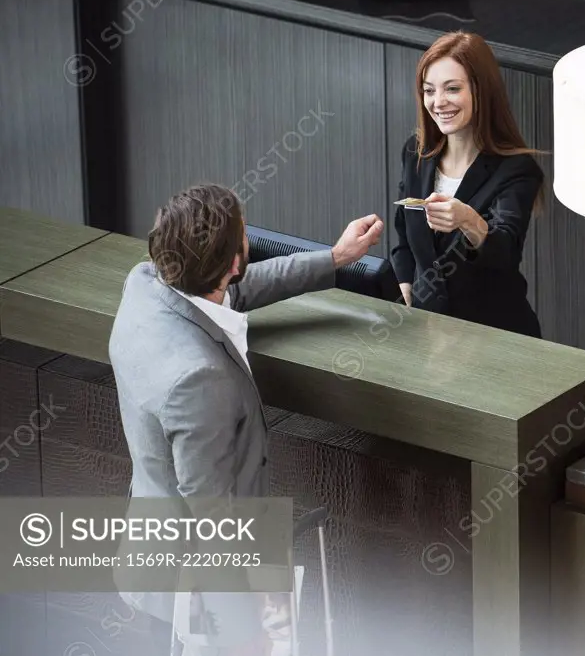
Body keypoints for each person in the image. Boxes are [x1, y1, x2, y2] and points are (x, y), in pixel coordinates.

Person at [108, 183, 383, 655]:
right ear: (235, 261)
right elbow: (211, 515)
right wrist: (243, 627)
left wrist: (335, 257)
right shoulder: (199, 379)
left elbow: (237, 291)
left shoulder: (147, 283)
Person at [391, 31, 545, 338]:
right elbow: (403, 234)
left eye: (452, 89)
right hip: (429, 332)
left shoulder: (517, 170)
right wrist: (405, 280)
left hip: (494, 335)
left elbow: (505, 253)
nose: (438, 102)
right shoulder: (415, 152)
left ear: (481, 91)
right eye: (429, 90)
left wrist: (469, 220)